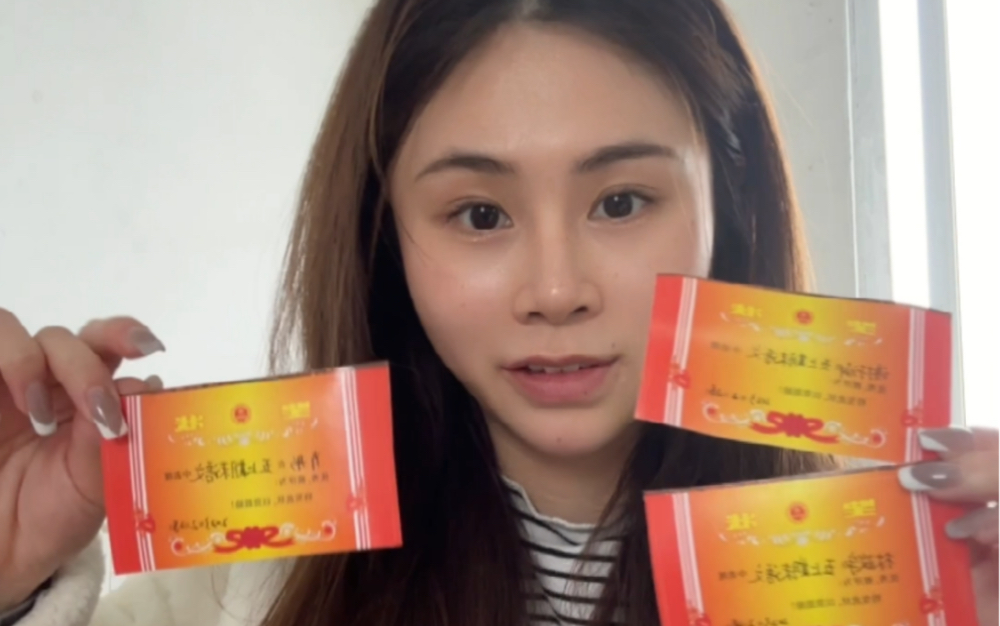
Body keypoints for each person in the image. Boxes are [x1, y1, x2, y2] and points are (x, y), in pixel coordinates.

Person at [1, 0, 996, 624]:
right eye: (479, 215)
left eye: (621, 202)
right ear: (386, 235)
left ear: (725, 206)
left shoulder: (907, 576)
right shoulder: (230, 595)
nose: (555, 290)